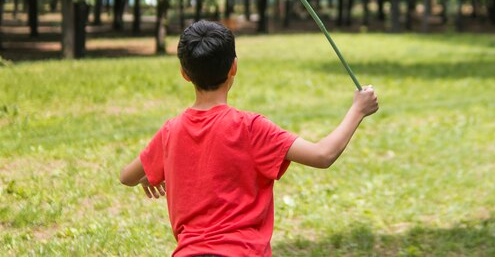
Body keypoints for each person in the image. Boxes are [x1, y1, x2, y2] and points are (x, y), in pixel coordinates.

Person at [119, 20, 378, 257]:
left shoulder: (170, 131)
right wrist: (358, 110)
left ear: (184, 73)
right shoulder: (251, 128)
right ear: (234, 66)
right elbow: (323, 154)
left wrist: (150, 172)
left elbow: (126, 176)